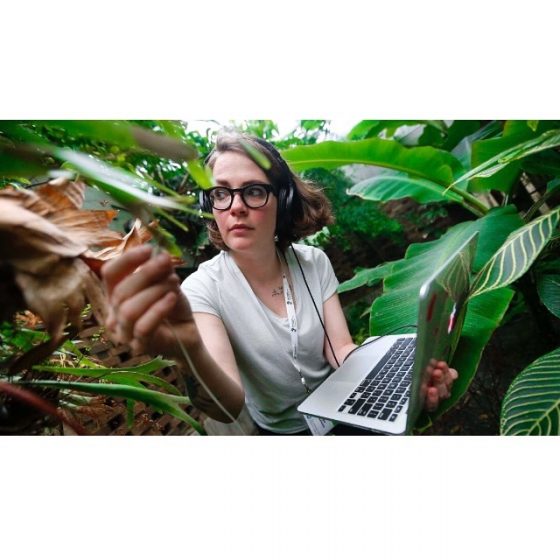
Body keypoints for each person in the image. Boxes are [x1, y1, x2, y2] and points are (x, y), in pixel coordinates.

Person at [101, 132, 458, 435]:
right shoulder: (202, 290)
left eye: (253, 191)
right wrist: (188, 350)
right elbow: (227, 408)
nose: (235, 206)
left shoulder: (313, 262)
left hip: (345, 408)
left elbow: (339, 350)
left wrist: (402, 378)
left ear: (283, 200)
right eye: (221, 193)